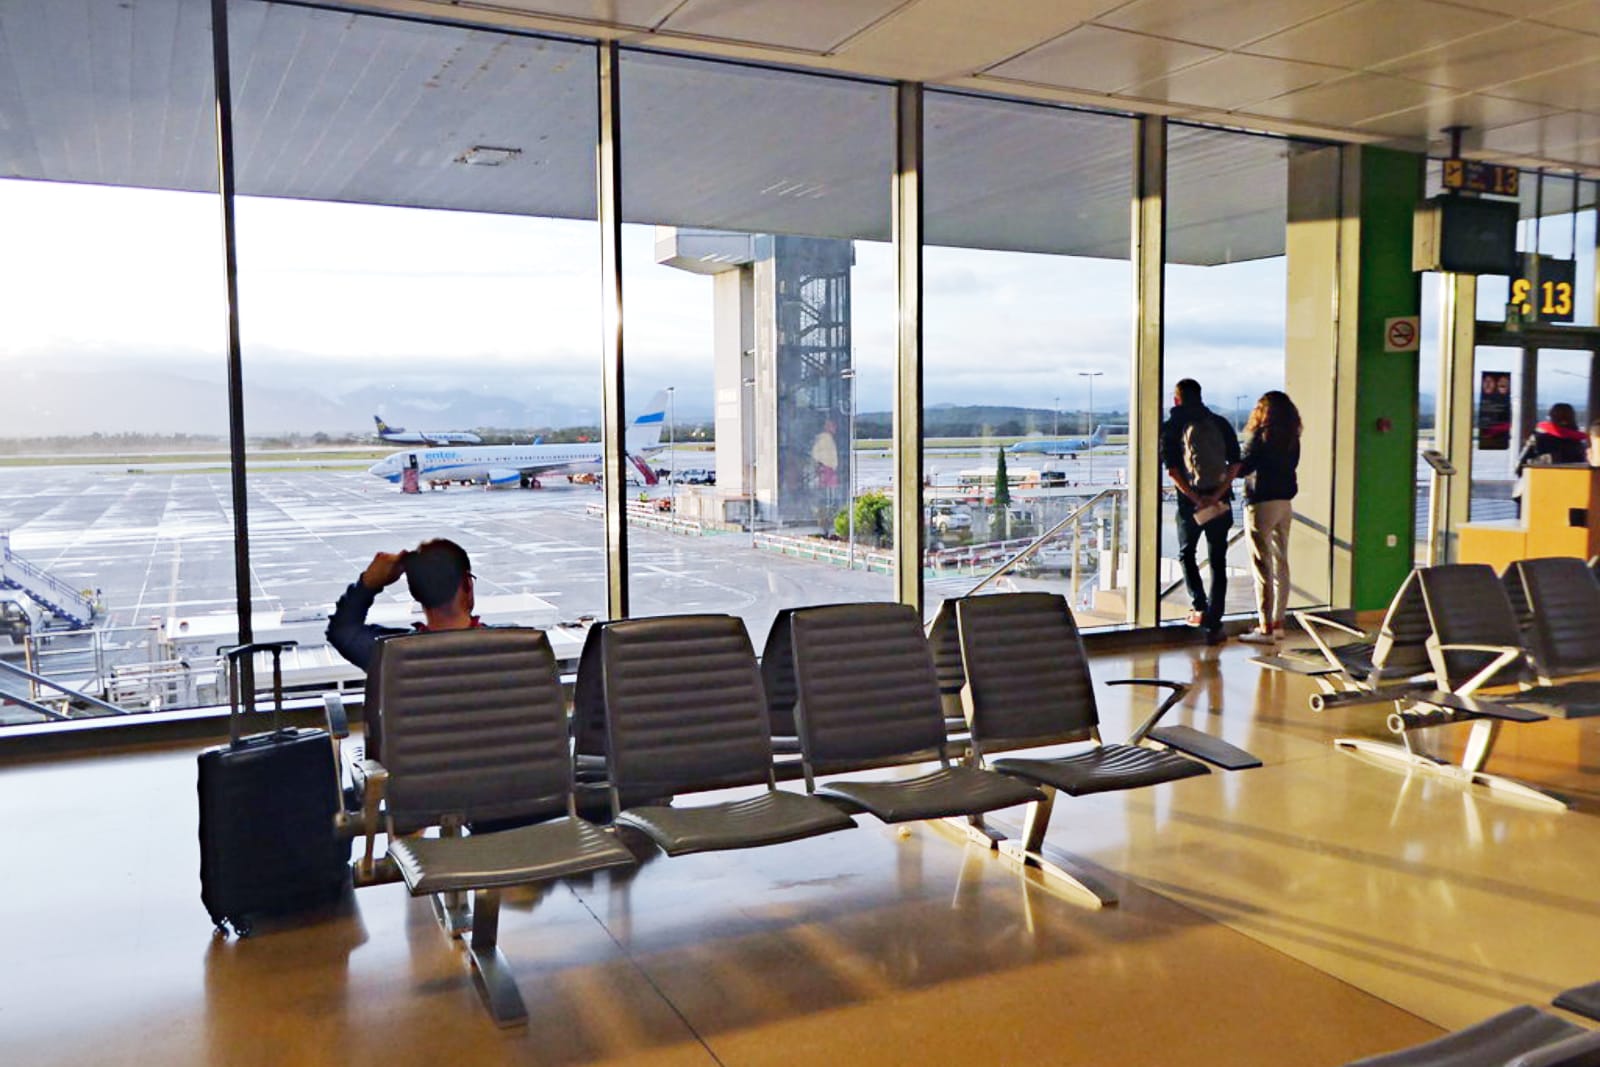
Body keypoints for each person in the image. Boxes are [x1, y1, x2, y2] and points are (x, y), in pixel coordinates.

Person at [1161, 379, 1241, 645]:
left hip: (1190, 505)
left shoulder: (1173, 427)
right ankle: (1215, 622)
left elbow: (1172, 470)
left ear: (1177, 400)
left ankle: (1199, 606)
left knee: (1186, 553)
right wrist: (1216, 496)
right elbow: (1235, 464)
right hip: (1220, 502)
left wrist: (1195, 498)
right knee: (1218, 560)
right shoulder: (1219, 423)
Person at [327, 538, 481, 673]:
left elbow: (341, 630)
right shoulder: (504, 646)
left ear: (415, 593)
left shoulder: (388, 651)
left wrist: (368, 584)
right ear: (467, 583)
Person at [1234, 391, 1302, 645]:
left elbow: (1244, 468)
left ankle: (1265, 628)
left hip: (1261, 503)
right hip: (1285, 503)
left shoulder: (1260, 437)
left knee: (1262, 567)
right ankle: (1279, 623)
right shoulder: (1293, 439)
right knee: (1281, 563)